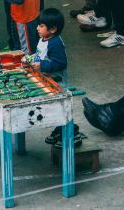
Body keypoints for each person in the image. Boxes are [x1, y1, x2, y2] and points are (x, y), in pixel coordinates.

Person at [29, 8, 83, 146]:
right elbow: (39, 55)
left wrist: (42, 66)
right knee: (53, 109)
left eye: (41, 26)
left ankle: (72, 133)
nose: (37, 28)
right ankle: (60, 130)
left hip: (59, 83)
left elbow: (60, 63)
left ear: (52, 29)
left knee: (60, 109)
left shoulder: (56, 43)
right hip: (48, 81)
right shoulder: (43, 39)